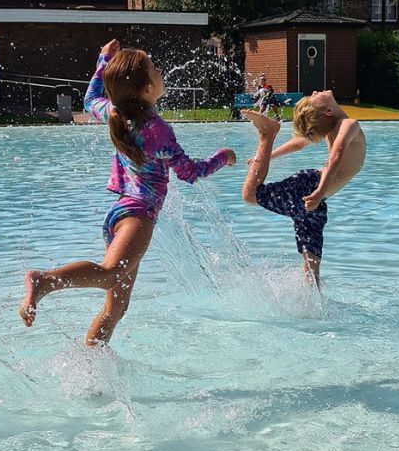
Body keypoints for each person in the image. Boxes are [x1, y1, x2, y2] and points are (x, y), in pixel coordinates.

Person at [18, 39, 237, 345]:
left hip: (121, 213)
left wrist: (103, 60)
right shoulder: (156, 130)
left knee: (117, 307)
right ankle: (44, 281)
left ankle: (92, 361)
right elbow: (189, 172)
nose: (161, 72)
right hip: (138, 216)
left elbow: (89, 100)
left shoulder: (115, 112)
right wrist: (223, 157)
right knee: (110, 273)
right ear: (146, 89)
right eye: (154, 68)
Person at [240, 93, 367, 286]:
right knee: (250, 195)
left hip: (316, 197)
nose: (315, 92)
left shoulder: (336, 126)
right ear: (328, 110)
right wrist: (319, 191)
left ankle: (313, 302)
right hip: (310, 187)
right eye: (314, 97)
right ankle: (267, 134)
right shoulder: (348, 125)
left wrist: (268, 157)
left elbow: (301, 143)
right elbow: (335, 156)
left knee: (311, 265)